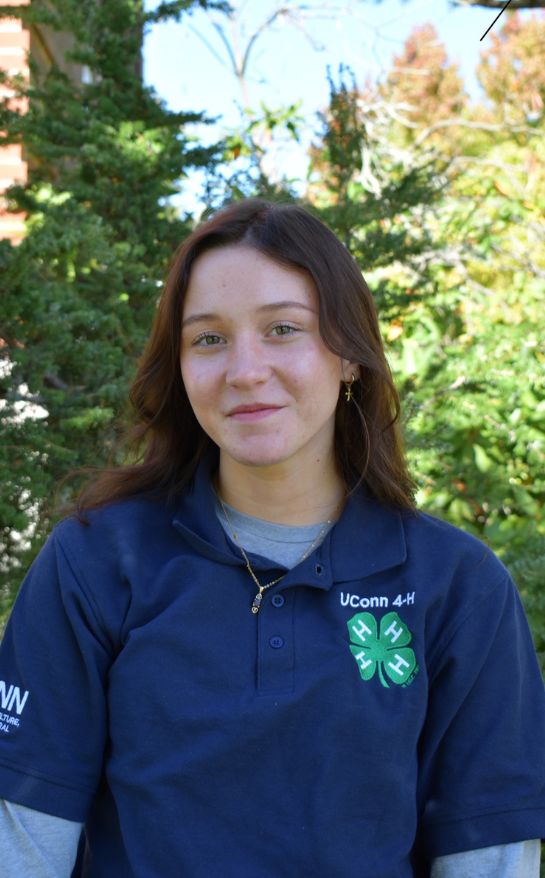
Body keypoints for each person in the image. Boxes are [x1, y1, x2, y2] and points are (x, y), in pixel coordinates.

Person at [0, 198, 544, 878]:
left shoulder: (457, 586)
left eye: (282, 329)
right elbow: (21, 843)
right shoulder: (97, 562)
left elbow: (487, 859)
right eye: (208, 339)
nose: (245, 370)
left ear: (349, 355)